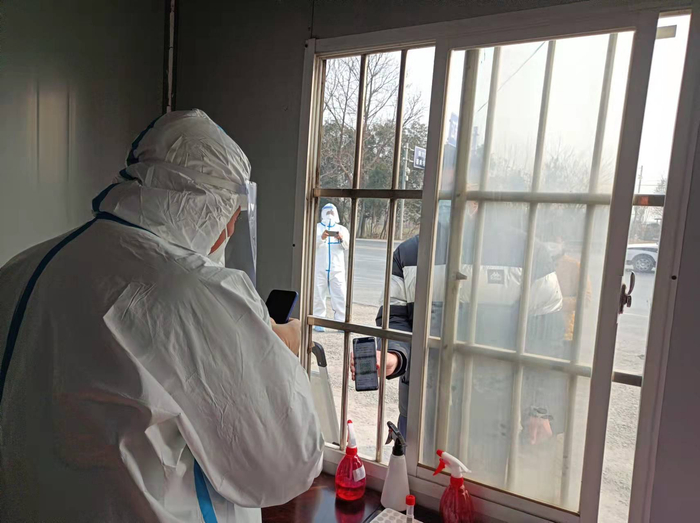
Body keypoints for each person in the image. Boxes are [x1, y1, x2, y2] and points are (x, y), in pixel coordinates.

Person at [0, 110, 324, 523]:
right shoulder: (188, 289)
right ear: (214, 207)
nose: (229, 232)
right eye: (233, 217)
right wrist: (281, 353)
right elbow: (285, 465)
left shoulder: (23, 267)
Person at [354, 201, 567, 496]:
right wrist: (393, 355)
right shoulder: (410, 253)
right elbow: (396, 319)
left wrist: (542, 409)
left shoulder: (530, 254)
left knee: (482, 498)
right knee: (418, 492)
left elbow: (548, 340)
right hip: (422, 405)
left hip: (494, 413)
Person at [313, 203, 350, 331]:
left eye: (332, 212)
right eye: (327, 212)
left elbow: (346, 246)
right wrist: (321, 238)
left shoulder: (342, 229)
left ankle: (341, 321)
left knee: (340, 295)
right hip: (320, 267)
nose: (329, 215)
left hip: (337, 269)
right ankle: (318, 320)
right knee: (318, 295)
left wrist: (341, 238)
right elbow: (311, 244)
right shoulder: (317, 228)